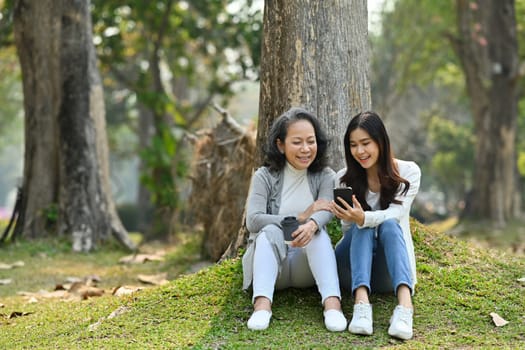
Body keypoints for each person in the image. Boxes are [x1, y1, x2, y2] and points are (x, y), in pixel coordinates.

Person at [242, 107, 347, 332]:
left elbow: (326, 209)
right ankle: (262, 306)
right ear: (281, 145)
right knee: (269, 232)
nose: (306, 149)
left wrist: (310, 223)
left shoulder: (325, 176)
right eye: (297, 142)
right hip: (272, 268)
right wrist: (301, 216)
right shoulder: (264, 176)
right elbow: (253, 220)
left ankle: (333, 306)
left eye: (311, 141)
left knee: (316, 231)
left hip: (305, 269)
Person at [331, 111, 421, 340]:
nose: (359, 151)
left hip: (390, 272)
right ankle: (361, 306)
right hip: (351, 270)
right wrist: (357, 220)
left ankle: (405, 307)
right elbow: (346, 230)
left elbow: (398, 213)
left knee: (389, 224)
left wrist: (364, 218)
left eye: (365, 143)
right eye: (353, 145)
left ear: (380, 141)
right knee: (363, 226)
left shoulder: (409, 172)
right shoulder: (343, 178)